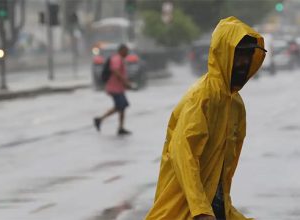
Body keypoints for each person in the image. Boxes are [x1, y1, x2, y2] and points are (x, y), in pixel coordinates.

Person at [145, 16, 266, 220]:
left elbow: (221, 170)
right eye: (238, 55)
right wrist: (200, 209)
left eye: (248, 55)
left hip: (213, 208)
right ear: (223, 54)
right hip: (184, 210)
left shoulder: (235, 104)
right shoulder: (201, 98)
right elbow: (184, 154)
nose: (244, 63)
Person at [93, 44, 132, 135]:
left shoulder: (119, 59)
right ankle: (99, 119)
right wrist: (125, 82)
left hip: (118, 88)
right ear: (121, 50)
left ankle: (120, 127)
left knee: (122, 106)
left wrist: (124, 83)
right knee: (120, 106)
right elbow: (115, 71)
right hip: (114, 88)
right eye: (126, 51)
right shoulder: (117, 59)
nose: (127, 53)